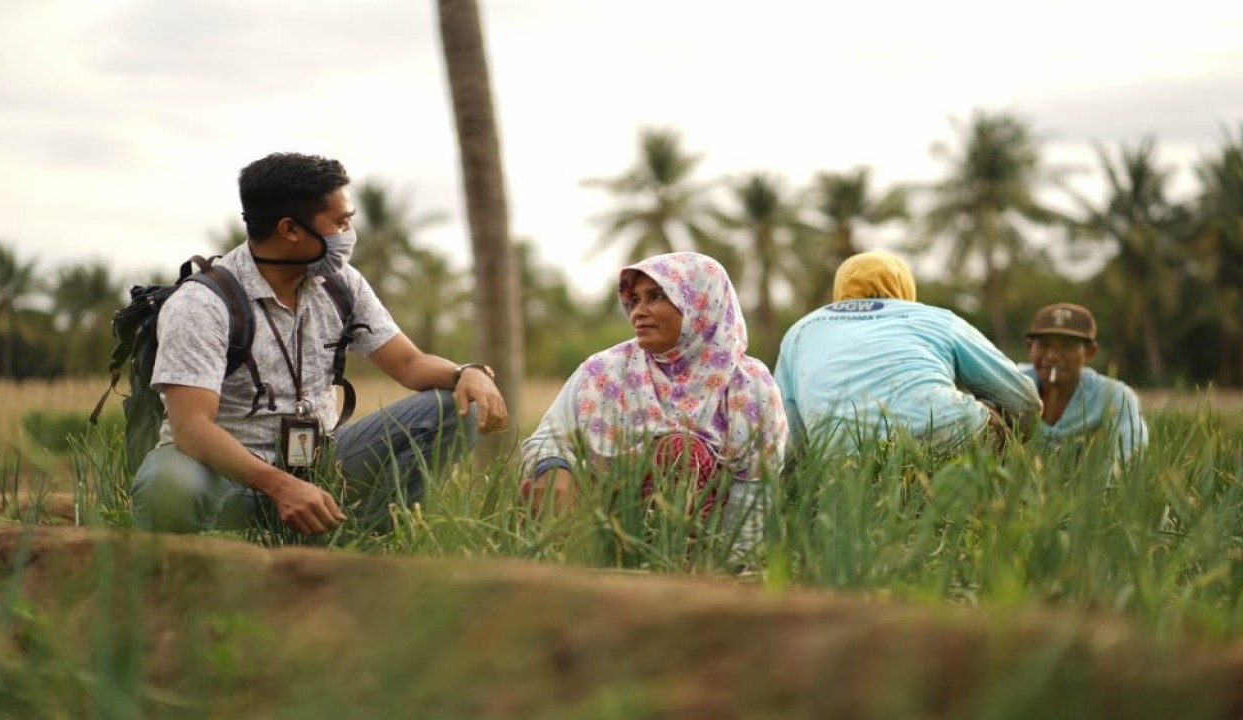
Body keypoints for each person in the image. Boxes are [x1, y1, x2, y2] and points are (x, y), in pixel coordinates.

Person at [131, 152, 508, 535]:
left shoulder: (341, 283)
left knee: (451, 407)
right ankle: (184, 571)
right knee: (169, 485)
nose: (349, 234)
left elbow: (409, 364)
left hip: (321, 465)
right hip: (227, 478)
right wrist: (280, 485)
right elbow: (191, 427)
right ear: (291, 230)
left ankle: (369, 541)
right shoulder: (201, 304)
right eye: (340, 222)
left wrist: (465, 374)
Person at [520, 252, 788, 555]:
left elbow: (753, 490)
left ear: (701, 302)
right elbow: (546, 438)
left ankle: (673, 573)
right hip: (599, 529)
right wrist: (553, 469)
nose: (638, 312)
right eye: (634, 300)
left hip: (708, 548)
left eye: (656, 296)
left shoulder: (747, 383)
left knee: (679, 452)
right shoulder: (604, 370)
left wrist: (735, 567)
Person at [774, 250, 1041, 456]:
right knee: (996, 416)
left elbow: (786, 433)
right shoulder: (936, 318)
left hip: (844, 461)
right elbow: (1022, 399)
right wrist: (1022, 443)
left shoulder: (800, 331)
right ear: (905, 286)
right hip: (951, 435)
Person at [1020, 302, 1147, 462]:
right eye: (1044, 345)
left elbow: (1130, 453)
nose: (1052, 355)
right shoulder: (1008, 383)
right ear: (1029, 346)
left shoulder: (1114, 396)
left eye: (1067, 347)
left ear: (1090, 352)